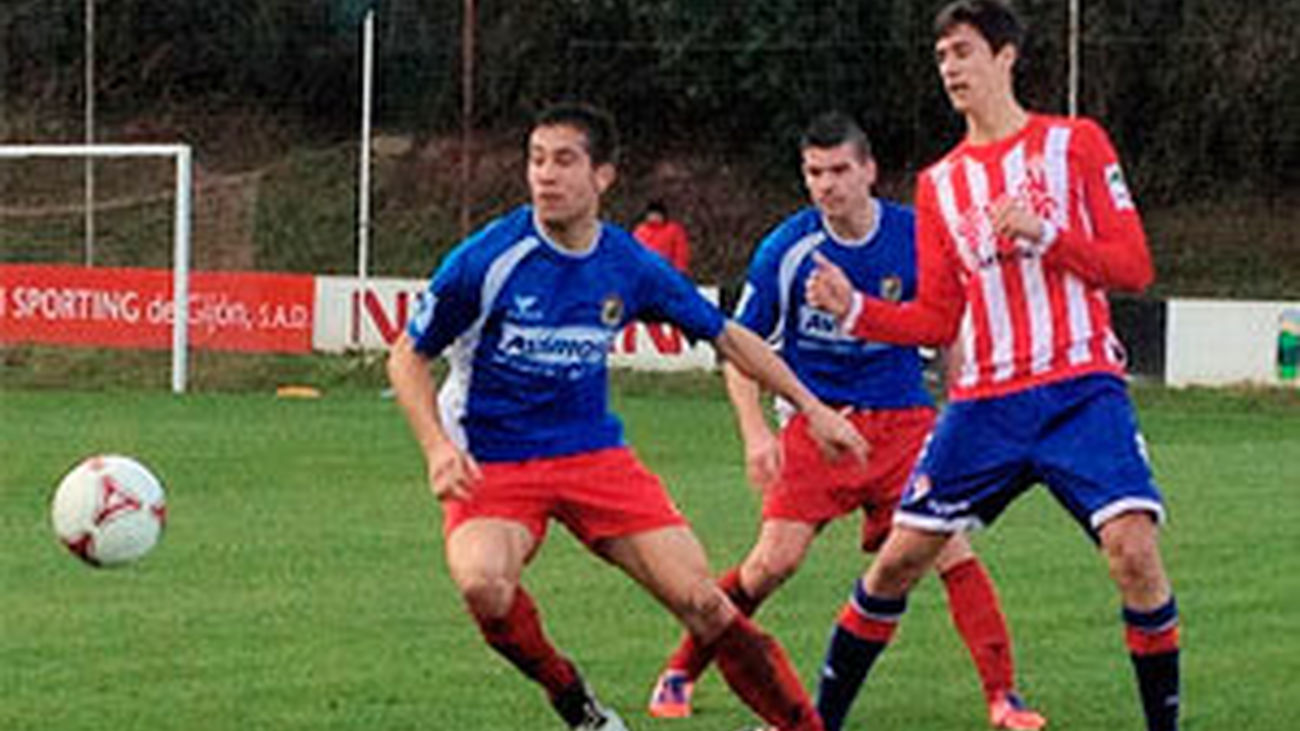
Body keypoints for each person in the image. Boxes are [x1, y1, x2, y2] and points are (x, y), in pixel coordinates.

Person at [386, 102, 868, 731]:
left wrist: (812, 407)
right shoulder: (488, 259)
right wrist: (436, 449)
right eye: (536, 160)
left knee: (705, 604)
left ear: (603, 176)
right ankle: (573, 699)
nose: (545, 176)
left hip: (593, 457)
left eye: (564, 160)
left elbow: (727, 335)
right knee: (484, 586)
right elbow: (406, 355)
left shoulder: (627, 262)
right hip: (495, 461)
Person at [804, 3, 1181, 731]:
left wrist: (1049, 234)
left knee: (1133, 550)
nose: (949, 66)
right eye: (941, 54)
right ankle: (816, 722)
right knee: (896, 562)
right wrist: (857, 311)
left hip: (1081, 391)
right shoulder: (940, 183)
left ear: (1006, 56)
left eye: (964, 51)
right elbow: (938, 319)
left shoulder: (1075, 144)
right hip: (985, 404)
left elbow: (1134, 266)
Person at [646, 111, 1045, 731]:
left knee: (950, 550)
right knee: (772, 563)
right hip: (818, 426)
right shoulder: (787, 249)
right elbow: (737, 347)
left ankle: (1003, 696)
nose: (826, 184)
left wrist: (962, 411)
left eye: (838, 170)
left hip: (905, 426)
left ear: (869, 171)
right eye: (814, 173)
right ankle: (681, 668)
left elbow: (947, 335)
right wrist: (756, 434)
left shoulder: (916, 238)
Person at [632, 200, 692, 273]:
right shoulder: (640, 230)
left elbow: (681, 251)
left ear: (663, 216)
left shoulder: (674, 229)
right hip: (645, 269)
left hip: (667, 269)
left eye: (658, 215)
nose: (655, 217)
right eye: (652, 214)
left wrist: (679, 269)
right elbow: (634, 250)